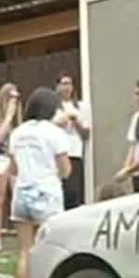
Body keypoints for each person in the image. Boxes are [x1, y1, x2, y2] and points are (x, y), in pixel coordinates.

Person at [6, 87, 71, 278]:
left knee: (24, 253)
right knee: (51, 254)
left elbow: (12, 169)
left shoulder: (18, 133)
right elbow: (65, 170)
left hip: (22, 194)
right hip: (47, 195)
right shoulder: (54, 133)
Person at [0, 82, 21, 250]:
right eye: (10, 98)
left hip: (14, 158)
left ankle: (22, 235)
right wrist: (7, 117)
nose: (13, 102)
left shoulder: (18, 118)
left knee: (18, 195)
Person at [52, 72, 90, 210]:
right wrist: (63, 119)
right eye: (64, 84)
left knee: (74, 190)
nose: (67, 87)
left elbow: (86, 133)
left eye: (70, 84)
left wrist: (76, 122)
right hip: (58, 152)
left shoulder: (80, 107)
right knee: (62, 189)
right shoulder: (54, 107)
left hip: (75, 151)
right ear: (57, 87)